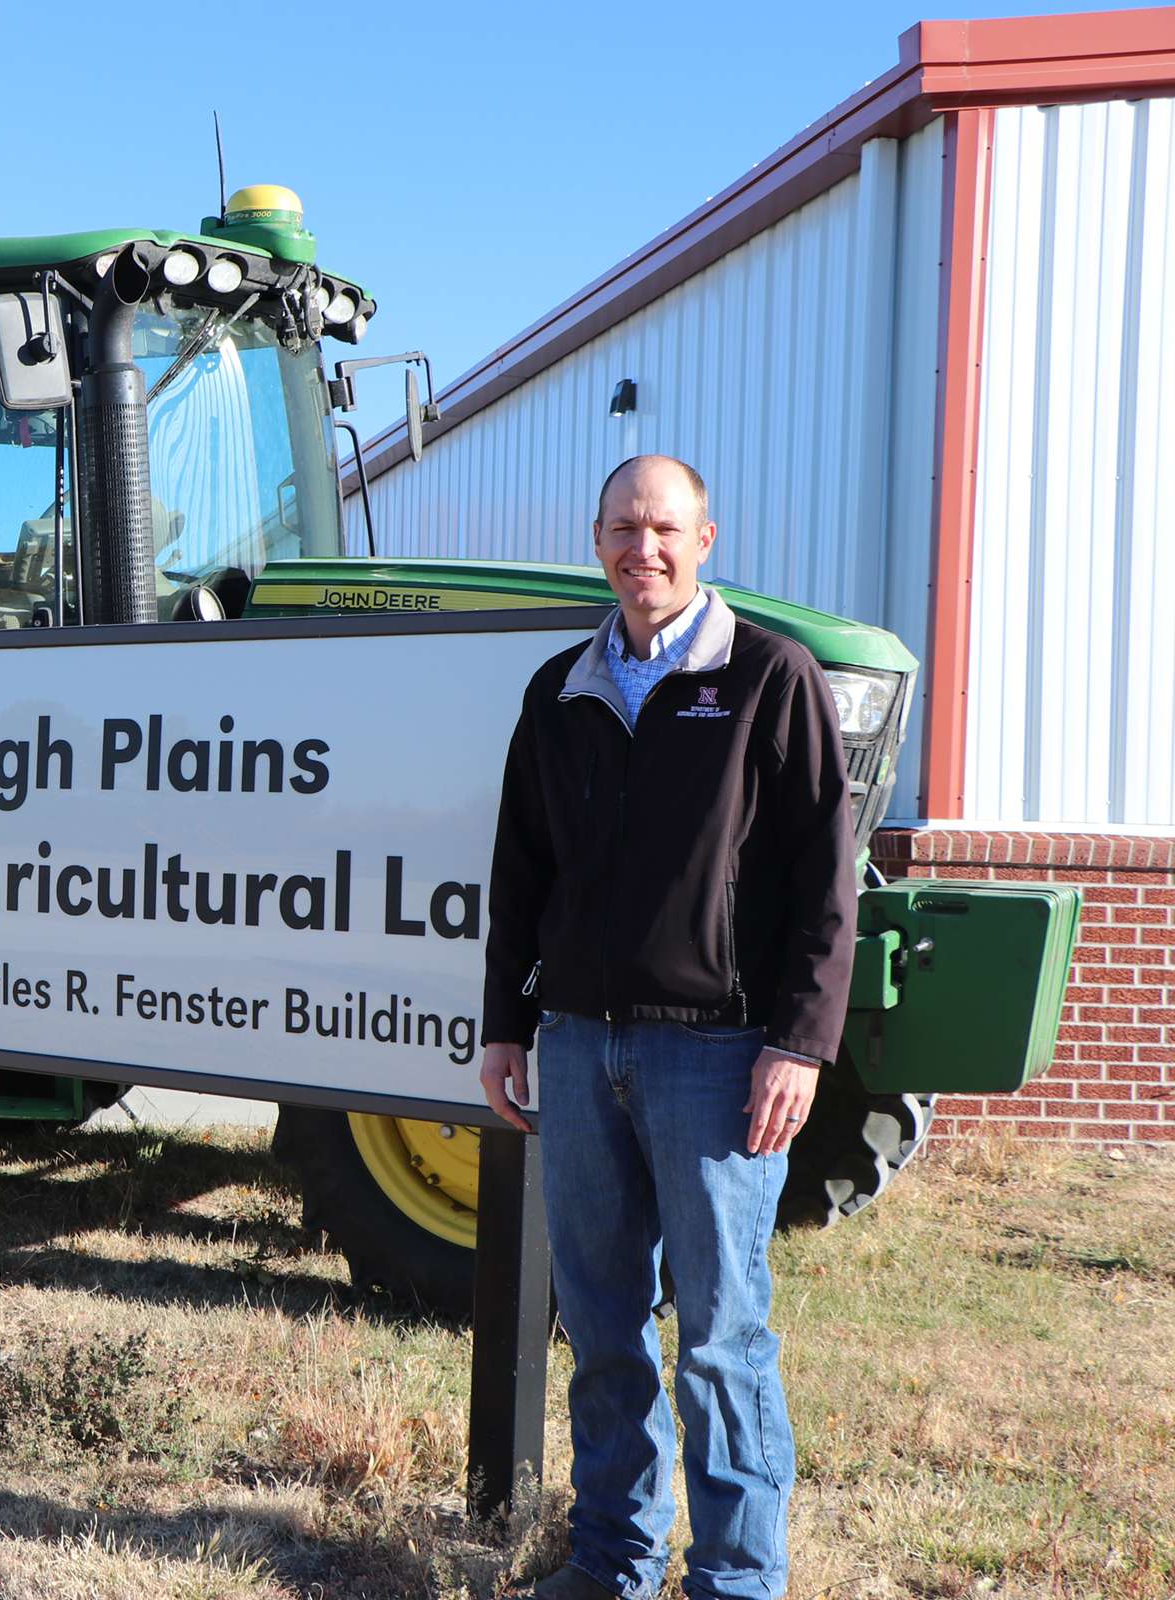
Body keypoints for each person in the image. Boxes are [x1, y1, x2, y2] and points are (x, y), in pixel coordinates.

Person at [479, 455, 855, 1600]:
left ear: (706, 540)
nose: (642, 547)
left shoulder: (766, 677)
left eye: (664, 528)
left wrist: (799, 1041)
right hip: (583, 1047)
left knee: (720, 1339)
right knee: (601, 1332)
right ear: (596, 541)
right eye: (622, 528)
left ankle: (737, 1579)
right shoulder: (560, 690)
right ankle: (612, 1562)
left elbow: (824, 878)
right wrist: (509, 1025)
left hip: (718, 1055)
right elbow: (520, 870)